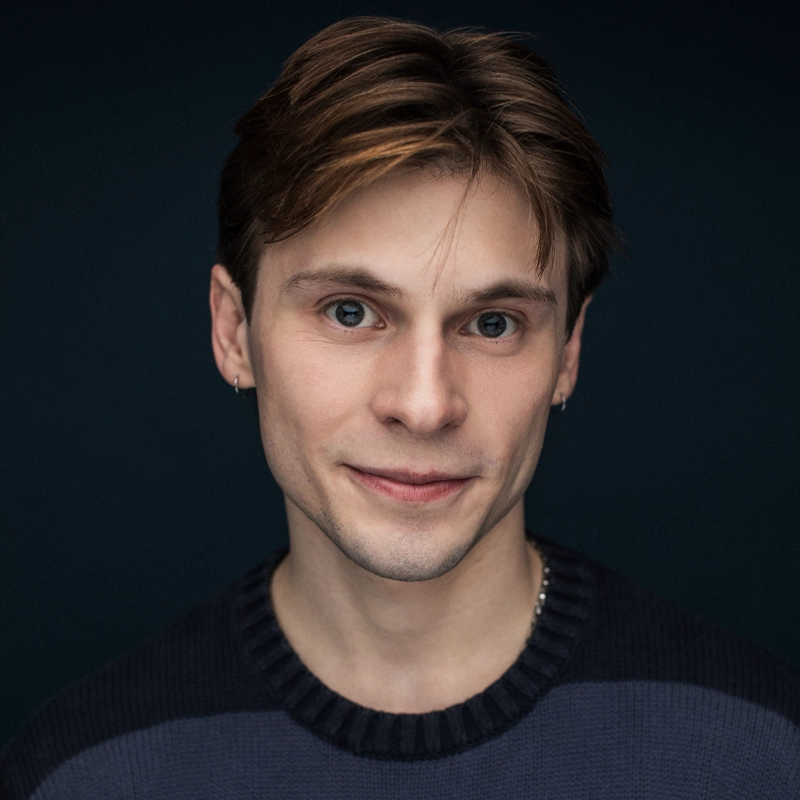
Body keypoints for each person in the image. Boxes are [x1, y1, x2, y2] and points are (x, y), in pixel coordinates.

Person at [2, 16, 798, 799]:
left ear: (568, 353)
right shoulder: (89, 772)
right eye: (350, 312)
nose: (424, 406)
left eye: (493, 324)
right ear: (233, 330)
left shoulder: (759, 753)